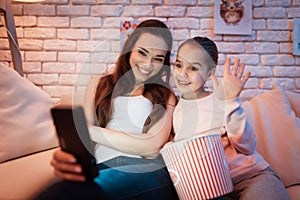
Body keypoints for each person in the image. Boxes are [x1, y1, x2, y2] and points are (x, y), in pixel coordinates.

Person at [36, 19, 179, 200]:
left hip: (145, 170)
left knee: (76, 193)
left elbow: (151, 147)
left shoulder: (165, 95)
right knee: (59, 191)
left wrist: (88, 130)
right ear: (129, 49)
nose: (148, 63)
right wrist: (69, 155)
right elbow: (84, 142)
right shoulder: (98, 84)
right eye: (142, 53)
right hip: (101, 168)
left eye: (157, 58)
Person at [170, 36, 290, 199]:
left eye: (193, 68)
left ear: (210, 73)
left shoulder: (222, 100)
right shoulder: (175, 109)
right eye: (179, 65)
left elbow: (246, 146)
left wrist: (231, 101)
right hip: (211, 188)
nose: (182, 73)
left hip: (251, 177)